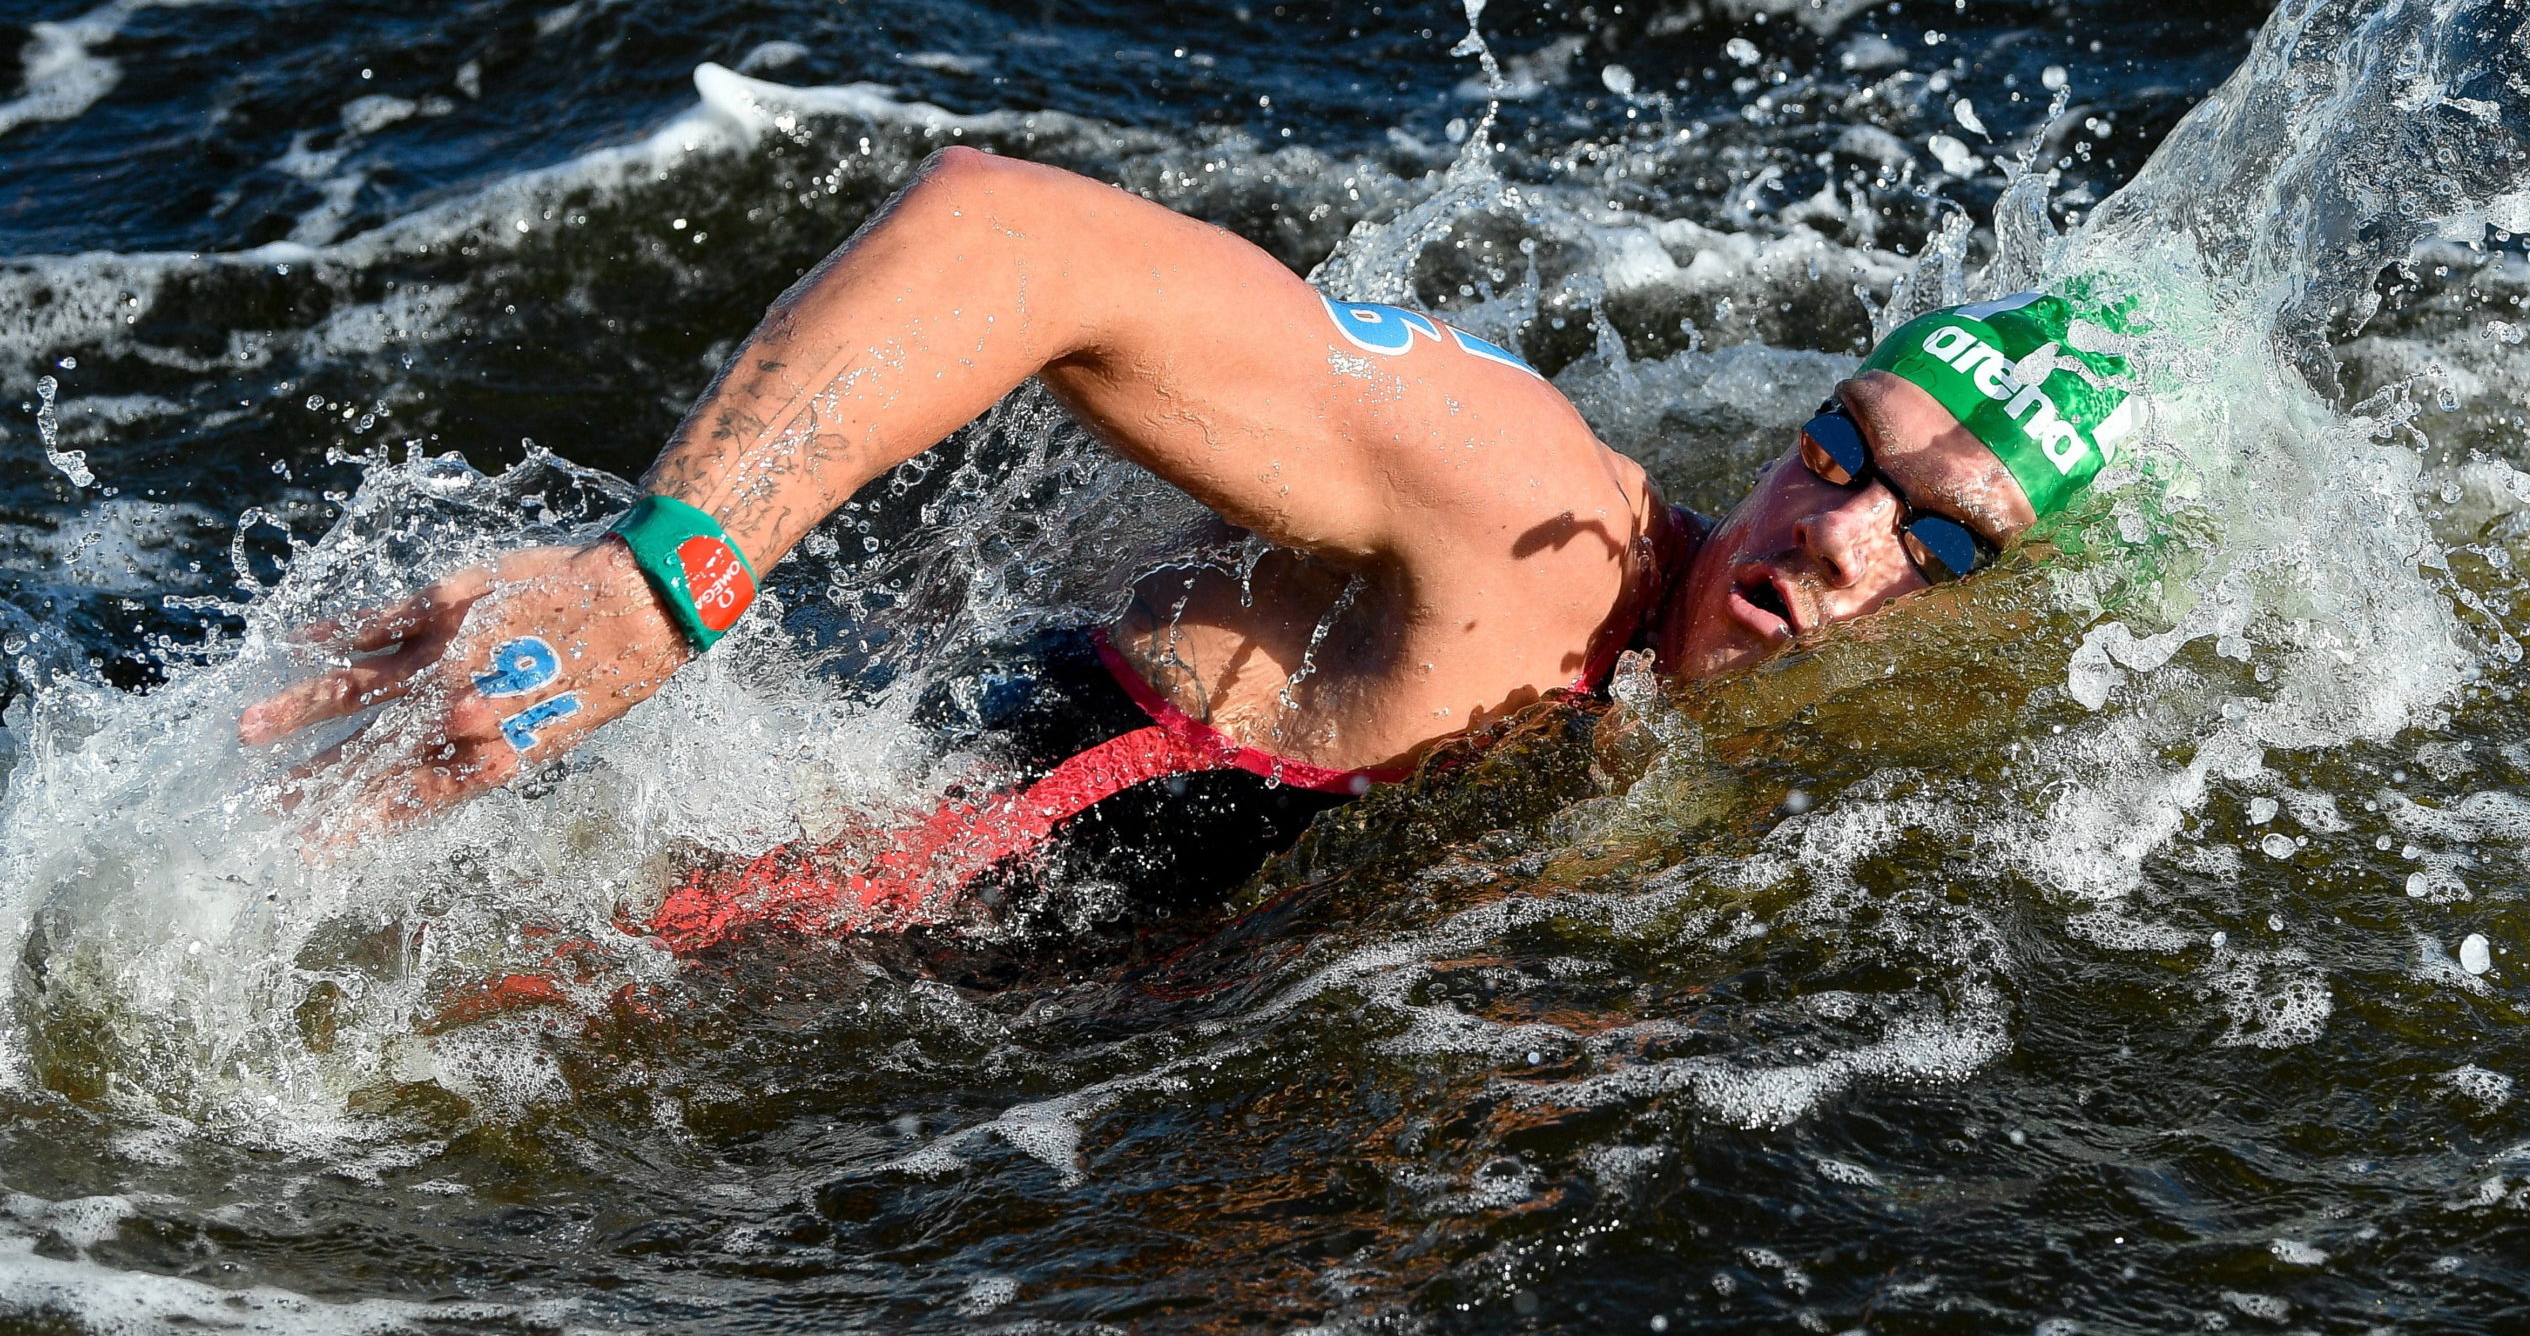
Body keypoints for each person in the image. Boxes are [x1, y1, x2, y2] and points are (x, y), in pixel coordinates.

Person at [238, 147, 2137, 947]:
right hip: (760, 921)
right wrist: (667, 578)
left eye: (1936, 542)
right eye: (1836, 448)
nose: (1830, 531)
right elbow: (1012, 235)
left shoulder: (1816, 790)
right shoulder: (1526, 515)